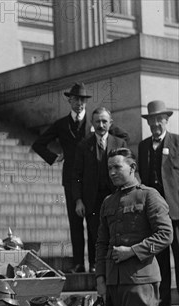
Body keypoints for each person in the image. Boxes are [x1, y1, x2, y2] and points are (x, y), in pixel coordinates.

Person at [95, 148, 172, 306]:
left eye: (117, 167)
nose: (113, 172)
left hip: (140, 279)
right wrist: (100, 278)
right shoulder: (108, 202)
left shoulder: (150, 196)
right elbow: (101, 243)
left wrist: (132, 251)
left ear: (132, 167)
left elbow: (165, 234)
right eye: (109, 169)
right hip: (115, 281)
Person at [32, 82, 129, 273]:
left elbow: (121, 135)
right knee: (75, 223)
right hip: (72, 179)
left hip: (96, 179)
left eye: (83, 100)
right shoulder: (61, 124)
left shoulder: (96, 122)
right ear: (69, 100)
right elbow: (39, 144)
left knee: (95, 223)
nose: (79, 103)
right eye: (76, 99)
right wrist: (55, 156)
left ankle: (94, 263)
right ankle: (78, 262)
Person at [73, 107, 127, 273]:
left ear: (110, 123)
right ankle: (96, 267)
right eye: (97, 121)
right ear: (92, 123)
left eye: (104, 121)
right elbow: (76, 175)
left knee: (116, 232)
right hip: (92, 199)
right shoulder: (83, 145)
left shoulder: (119, 143)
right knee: (95, 233)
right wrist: (78, 200)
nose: (101, 125)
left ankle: (115, 266)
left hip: (114, 195)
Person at [138, 100, 179, 306]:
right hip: (155, 212)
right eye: (152, 120)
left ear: (166, 120)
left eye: (159, 120)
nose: (155, 124)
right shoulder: (143, 145)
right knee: (160, 256)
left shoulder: (176, 142)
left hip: (176, 211)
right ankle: (163, 298)